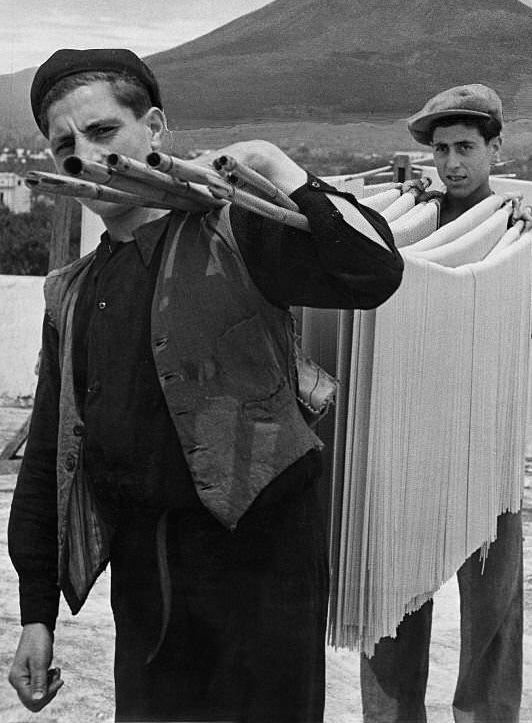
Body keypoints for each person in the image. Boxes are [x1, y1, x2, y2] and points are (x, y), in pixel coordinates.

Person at [7, 47, 404, 723]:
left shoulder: (235, 229)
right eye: (66, 143)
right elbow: (51, 452)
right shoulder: (70, 292)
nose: (87, 155)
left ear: (154, 127)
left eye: (104, 132)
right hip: (146, 576)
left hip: (263, 567)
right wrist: (36, 614)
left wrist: (278, 168)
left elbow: (372, 275)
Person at [360, 83, 532, 723]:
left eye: (466, 147)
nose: (451, 164)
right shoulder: (404, 225)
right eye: (441, 150)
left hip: (481, 442)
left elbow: (518, 329)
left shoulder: (521, 231)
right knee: (391, 605)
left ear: (496, 148)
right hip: (409, 439)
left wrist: (507, 246)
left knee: (493, 616)